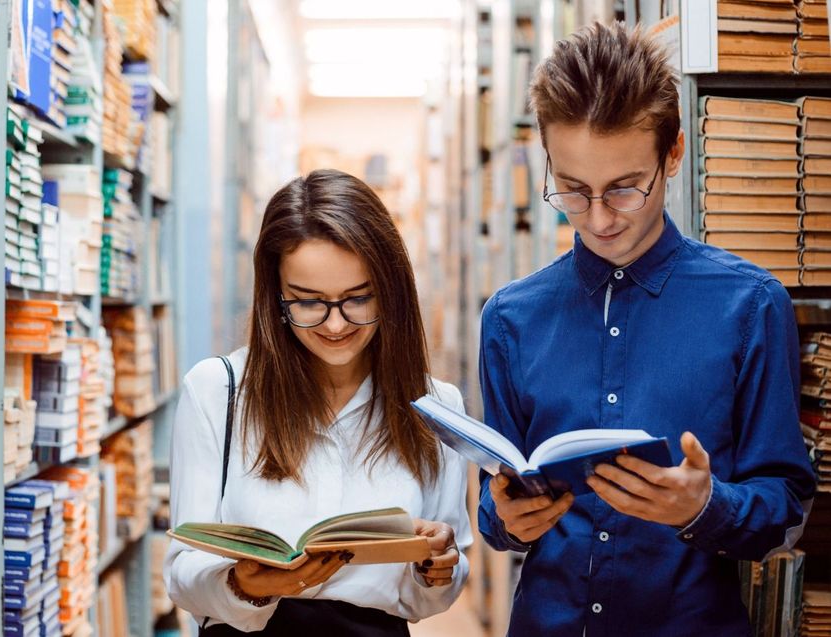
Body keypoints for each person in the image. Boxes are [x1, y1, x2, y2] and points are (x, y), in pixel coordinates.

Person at [477, 22, 815, 636]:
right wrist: (503, 519)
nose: (600, 219)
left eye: (625, 189)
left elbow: (785, 506)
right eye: (573, 191)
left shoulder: (751, 305)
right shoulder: (509, 318)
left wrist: (707, 506)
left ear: (674, 155)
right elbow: (494, 498)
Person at [165, 169, 472, 635]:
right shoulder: (217, 391)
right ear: (276, 298)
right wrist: (244, 585)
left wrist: (437, 569)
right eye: (308, 302)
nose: (335, 325)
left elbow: (435, 589)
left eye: (358, 298)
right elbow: (182, 573)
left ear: (390, 291)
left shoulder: (437, 407)